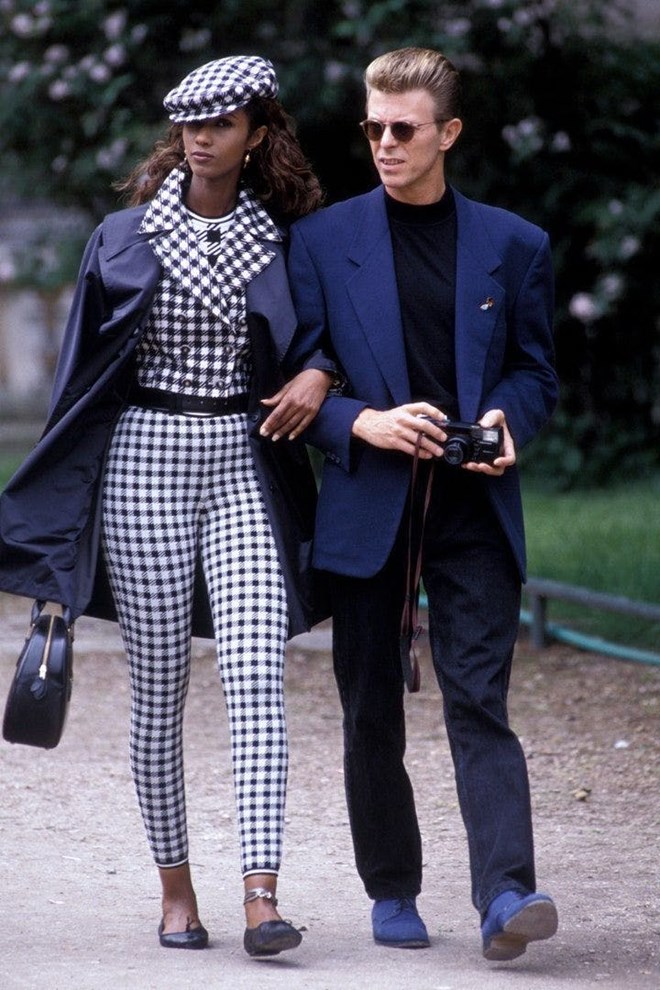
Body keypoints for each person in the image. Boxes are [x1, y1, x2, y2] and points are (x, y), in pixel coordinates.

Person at [0, 55, 338, 956]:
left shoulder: (286, 238)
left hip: (244, 461)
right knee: (158, 687)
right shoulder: (123, 237)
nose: (201, 138)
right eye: (190, 124)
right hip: (144, 458)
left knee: (256, 671)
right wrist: (57, 532)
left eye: (221, 124)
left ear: (255, 135)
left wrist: (321, 371)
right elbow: (78, 382)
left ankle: (262, 895)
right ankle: (177, 891)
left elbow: (323, 338)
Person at [277, 46, 560, 961]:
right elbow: (297, 375)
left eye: (404, 128)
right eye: (373, 127)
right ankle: (392, 886)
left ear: (449, 133)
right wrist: (363, 421)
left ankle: (506, 894)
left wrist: (508, 419)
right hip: (369, 506)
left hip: (475, 506)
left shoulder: (516, 245)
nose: (386, 144)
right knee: (370, 707)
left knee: (480, 699)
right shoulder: (321, 241)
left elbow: (536, 372)